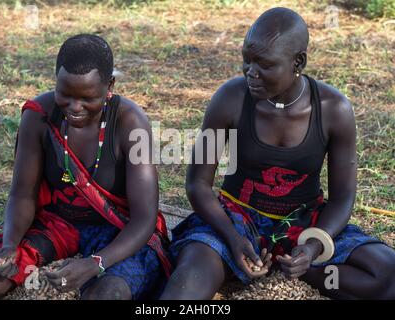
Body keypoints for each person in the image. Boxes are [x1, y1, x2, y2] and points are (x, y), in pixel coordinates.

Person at [160, 7, 395, 300]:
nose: (251, 72)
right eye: (247, 60)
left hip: (304, 224)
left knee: (386, 273)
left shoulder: (334, 109)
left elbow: (344, 197)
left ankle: (294, 270)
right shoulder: (230, 99)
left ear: (298, 62)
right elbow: (197, 183)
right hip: (236, 220)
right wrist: (233, 240)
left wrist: (311, 249)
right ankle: (240, 260)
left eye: (265, 65)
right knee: (189, 281)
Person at [0, 34, 171, 300]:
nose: (75, 108)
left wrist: (96, 262)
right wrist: (10, 244)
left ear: (109, 85)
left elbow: (144, 218)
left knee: (109, 292)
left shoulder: (130, 123)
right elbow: (22, 194)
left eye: (87, 98)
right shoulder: (39, 116)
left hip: (117, 231)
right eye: (65, 95)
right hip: (57, 224)